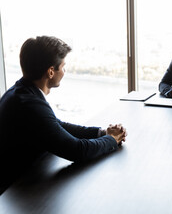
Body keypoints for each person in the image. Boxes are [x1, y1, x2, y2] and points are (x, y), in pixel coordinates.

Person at [0, 36, 127, 194]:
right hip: (16, 190)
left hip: (22, 185)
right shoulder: (30, 105)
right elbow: (77, 151)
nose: (65, 71)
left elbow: (56, 124)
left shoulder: (20, 91)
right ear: (51, 72)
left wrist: (101, 133)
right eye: (63, 66)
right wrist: (111, 139)